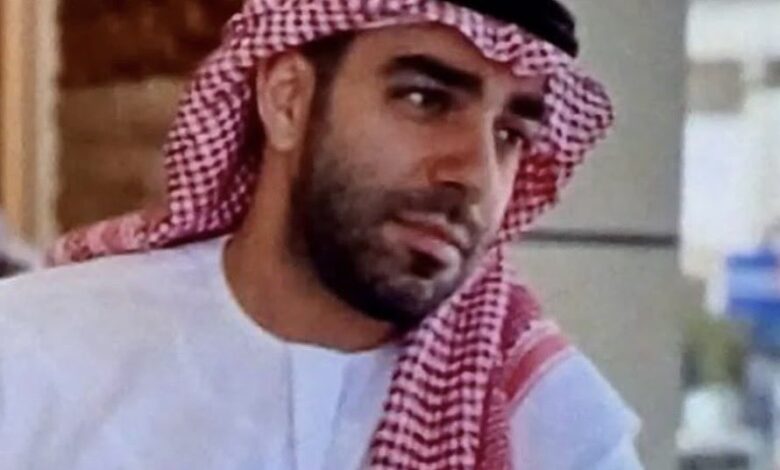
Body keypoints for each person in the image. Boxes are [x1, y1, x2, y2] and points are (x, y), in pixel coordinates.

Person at [0, 1, 642, 468]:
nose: (475, 174)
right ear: (287, 101)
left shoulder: (552, 425)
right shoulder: (34, 350)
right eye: (425, 100)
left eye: (510, 134)